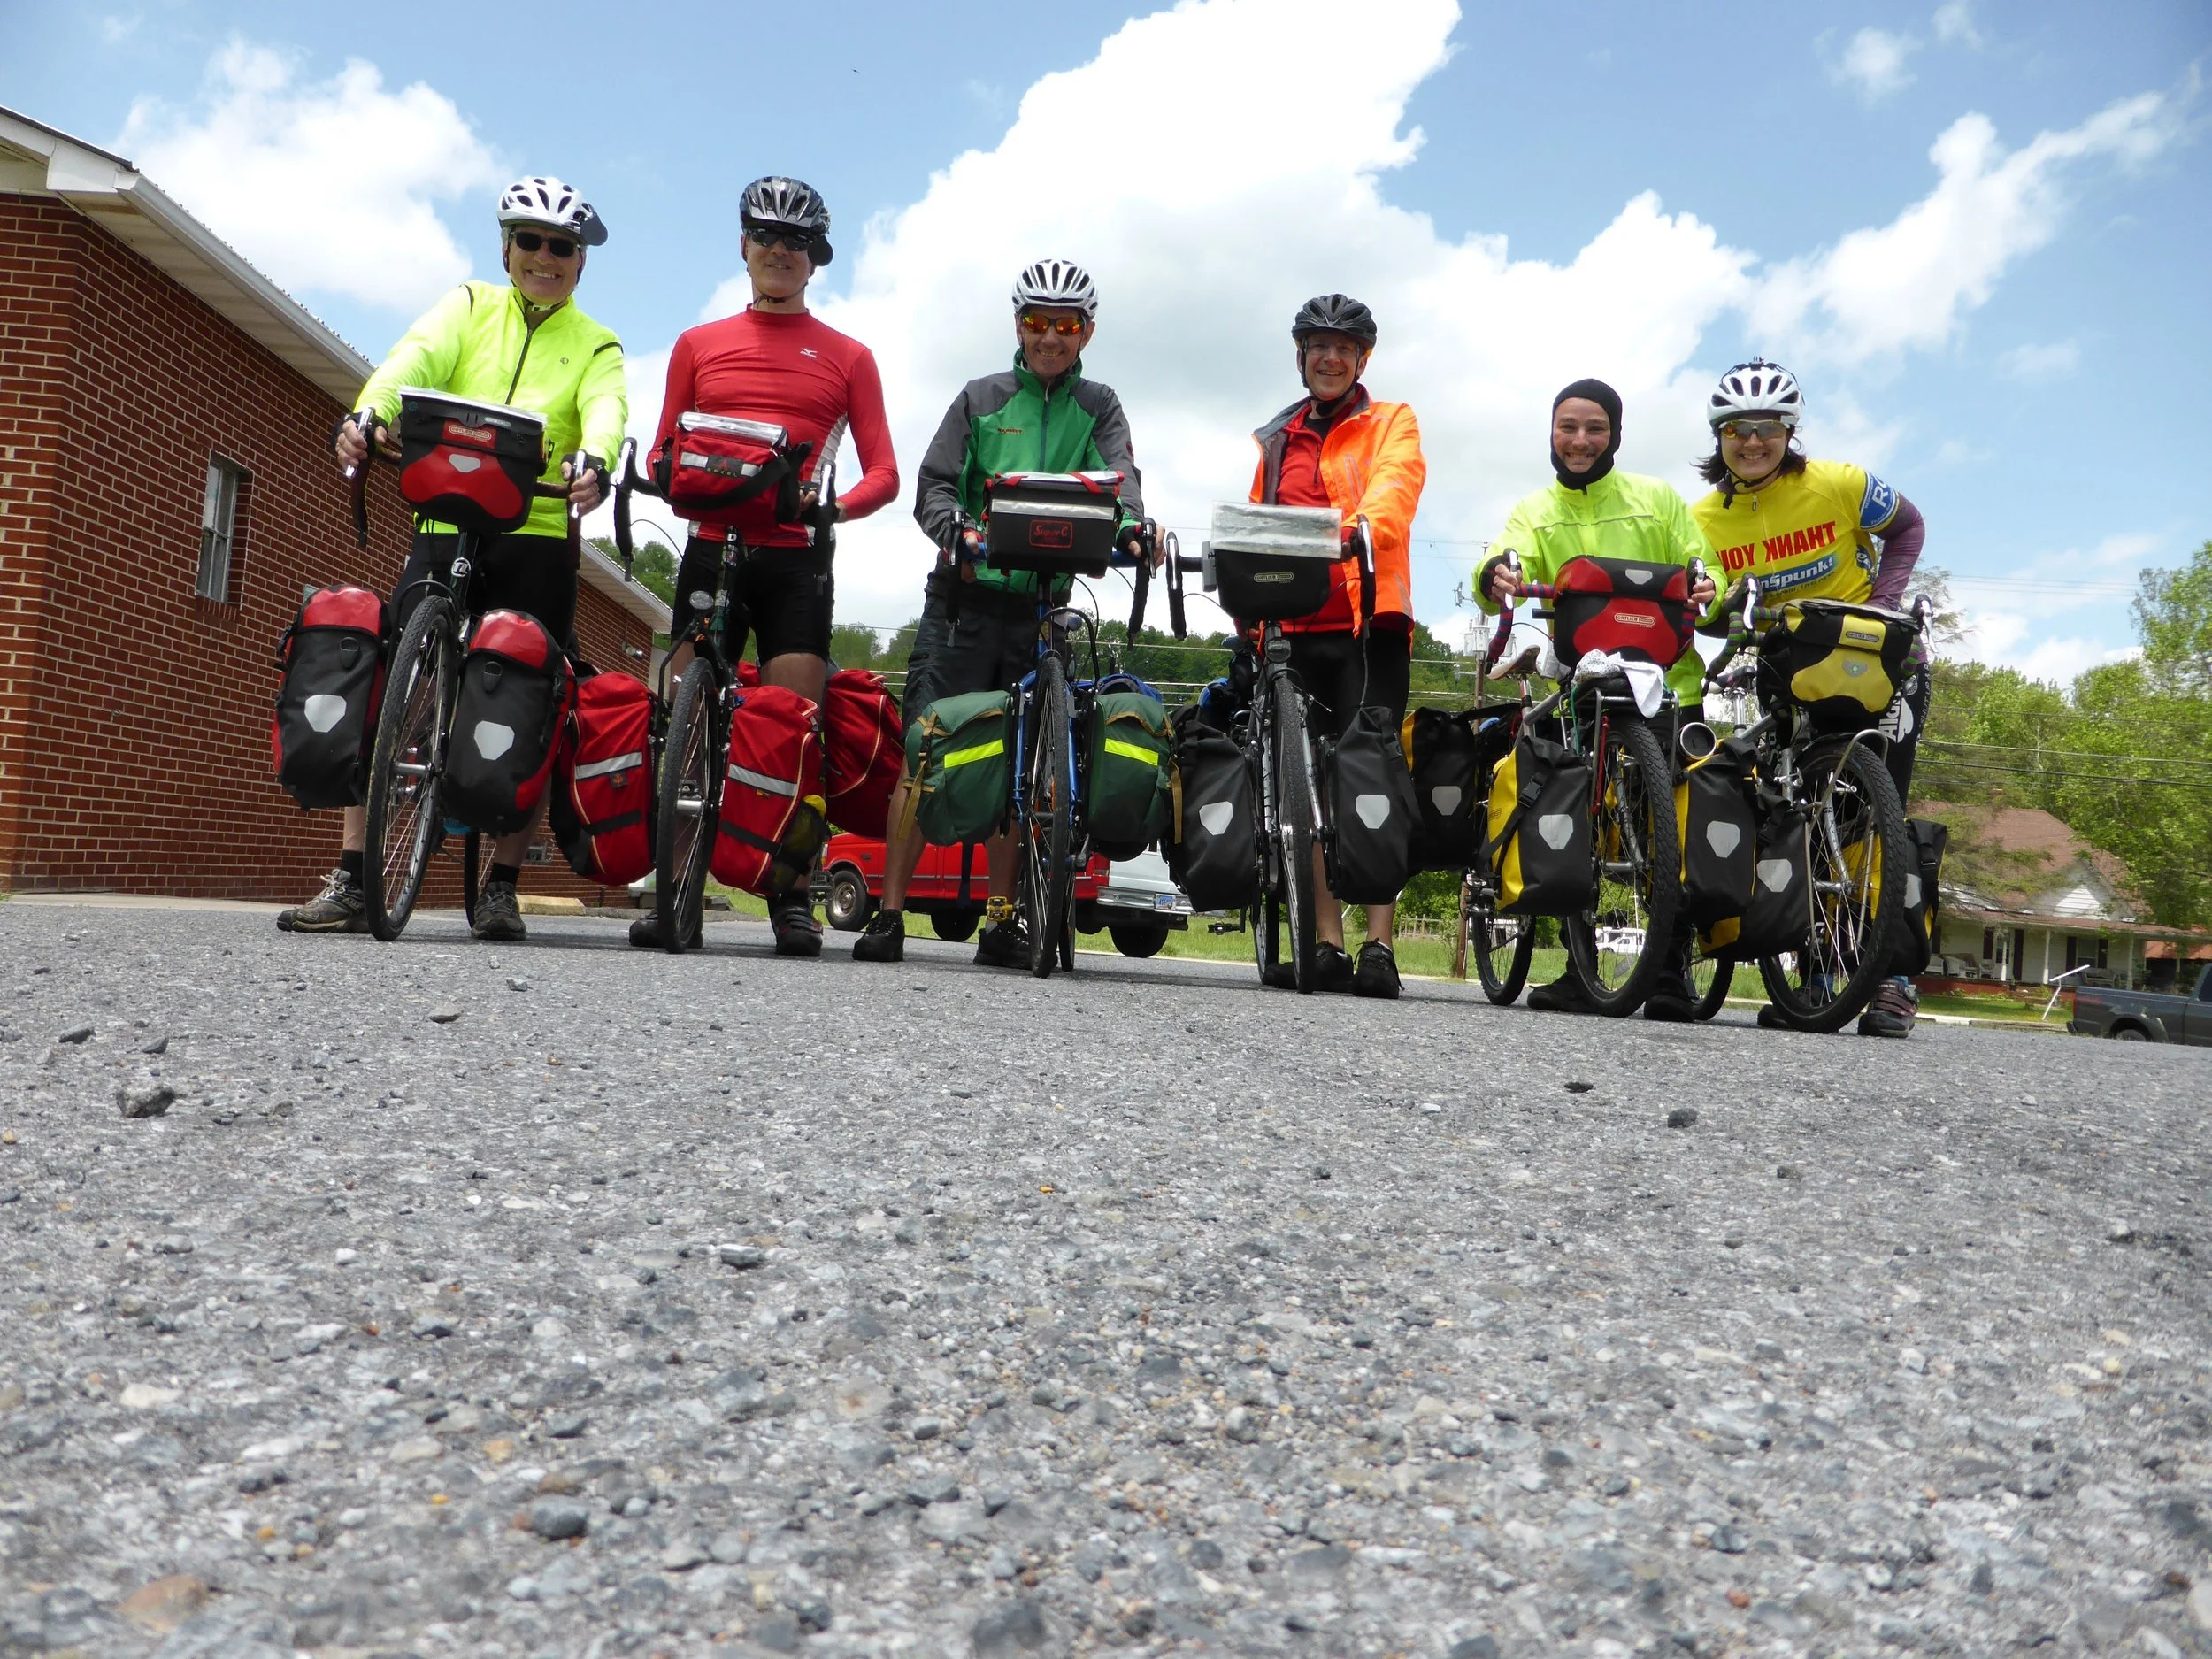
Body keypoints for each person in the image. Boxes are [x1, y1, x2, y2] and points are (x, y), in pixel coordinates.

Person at [278, 176, 626, 941]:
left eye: (561, 246)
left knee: (535, 691)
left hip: (535, 530)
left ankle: (500, 884)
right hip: (444, 515)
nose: (544, 256)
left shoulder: (596, 343)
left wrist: (594, 460)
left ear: (579, 262)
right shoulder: (468, 307)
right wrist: (372, 412)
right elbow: (414, 360)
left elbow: (606, 407)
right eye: (529, 241)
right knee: (386, 678)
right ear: (506, 248)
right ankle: (351, 877)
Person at [629, 176, 899, 956]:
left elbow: (884, 470)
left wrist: (834, 509)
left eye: (796, 242)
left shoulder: (849, 356)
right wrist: (662, 474)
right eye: (766, 237)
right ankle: (672, 880)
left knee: (794, 732)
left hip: (797, 562)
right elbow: (660, 447)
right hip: (713, 547)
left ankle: (792, 898)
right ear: (743, 247)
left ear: (817, 259)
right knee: (676, 707)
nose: (780, 251)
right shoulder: (697, 343)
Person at [853, 258, 1146, 966]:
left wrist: (1135, 526)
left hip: (1044, 607)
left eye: (1066, 324)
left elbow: (1123, 482)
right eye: (1037, 322)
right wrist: (955, 525)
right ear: (1018, 325)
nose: (1051, 337)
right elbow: (935, 484)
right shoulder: (980, 397)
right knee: (927, 751)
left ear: (1087, 332)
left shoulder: (1100, 406)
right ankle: (889, 915)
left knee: (1028, 770)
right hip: (963, 604)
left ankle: (1002, 919)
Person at [1688, 358, 1932, 1038]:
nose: (1752, 441)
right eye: (1737, 428)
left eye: (1766, 427)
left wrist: (1885, 601)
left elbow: (1908, 527)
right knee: (1797, 814)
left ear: (1789, 430)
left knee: (1882, 819)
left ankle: (1895, 979)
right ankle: (1821, 972)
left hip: (1879, 664)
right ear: (1720, 436)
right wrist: (1723, 612)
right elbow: (1706, 619)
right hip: (1789, 670)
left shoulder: (1841, 482)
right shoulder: (1702, 518)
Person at [1475, 377, 1718, 1019]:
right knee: (1572, 819)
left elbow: (1702, 565)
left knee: (1674, 827)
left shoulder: (1657, 499)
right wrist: (1496, 575)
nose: (1580, 440)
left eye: (1595, 428)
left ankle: (1669, 973)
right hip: (1585, 687)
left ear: (1615, 433)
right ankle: (1584, 969)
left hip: (1670, 685)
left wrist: (1705, 585)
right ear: (1551, 432)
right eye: (1568, 427)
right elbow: (1505, 561)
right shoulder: (1535, 509)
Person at [1244, 294, 1426, 999]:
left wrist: (1354, 530)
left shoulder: (1391, 422)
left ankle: (1380, 945)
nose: (1328, 358)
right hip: (1293, 628)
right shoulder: (1276, 437)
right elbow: (1258, 524)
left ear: (1361, 361)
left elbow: (1395, 489)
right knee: (1304, 791)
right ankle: (1327, 939)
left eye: (1342, 349)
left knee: (1372, 779)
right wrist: (1247, 620)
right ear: (1301, 356)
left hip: (1368, 621)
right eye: (1316, 347)